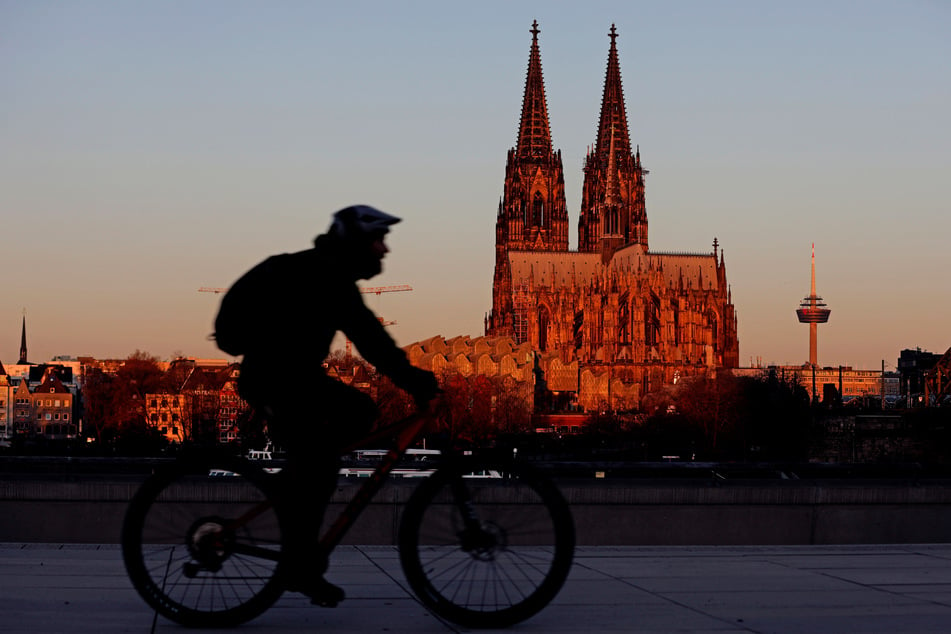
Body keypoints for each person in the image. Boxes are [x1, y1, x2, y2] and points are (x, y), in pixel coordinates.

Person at [232, 205, 438, 606]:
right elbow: (372, 342)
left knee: (358, 414)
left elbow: (370, 341)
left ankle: (297, 480)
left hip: (290, 376)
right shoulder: (327, 278)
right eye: (378, 241)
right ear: (356, 243)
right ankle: (301, 563)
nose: (384, 250)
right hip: (277, 380)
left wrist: (408, 377)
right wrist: (415, 381)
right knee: (322, 462)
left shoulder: (328, 273)